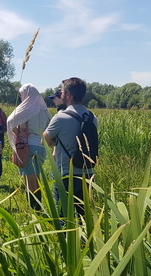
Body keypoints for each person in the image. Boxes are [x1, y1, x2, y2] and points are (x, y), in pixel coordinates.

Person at [43, 77, 98, 217]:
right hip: (88, 173)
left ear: (68, 95)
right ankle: (85, 239)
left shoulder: (60, 117)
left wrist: (56, 142)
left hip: (67, 174)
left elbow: (44, 140)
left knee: (64, 216)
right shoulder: (92, 117)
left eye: (62, 92)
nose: (61, 95)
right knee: (84, 217)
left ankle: (66, 238)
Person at [6, 84, 52, 210]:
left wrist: (18, 132)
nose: (21, 97)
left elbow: (10, 122)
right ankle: (39, 204)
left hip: (27, 146)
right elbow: (50, 126)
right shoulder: (44, 109)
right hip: (42, 146)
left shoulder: (25, 109)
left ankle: (34, 207)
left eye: (21, 94)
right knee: (37, 176)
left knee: (29, 178)